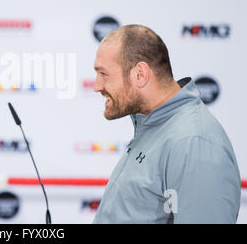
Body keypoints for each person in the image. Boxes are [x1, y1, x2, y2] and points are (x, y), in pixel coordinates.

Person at [92, 24, 240, 224]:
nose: (96, 86)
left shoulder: (193, 142)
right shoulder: (154, 125)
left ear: (140, 75)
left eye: (104, 74)